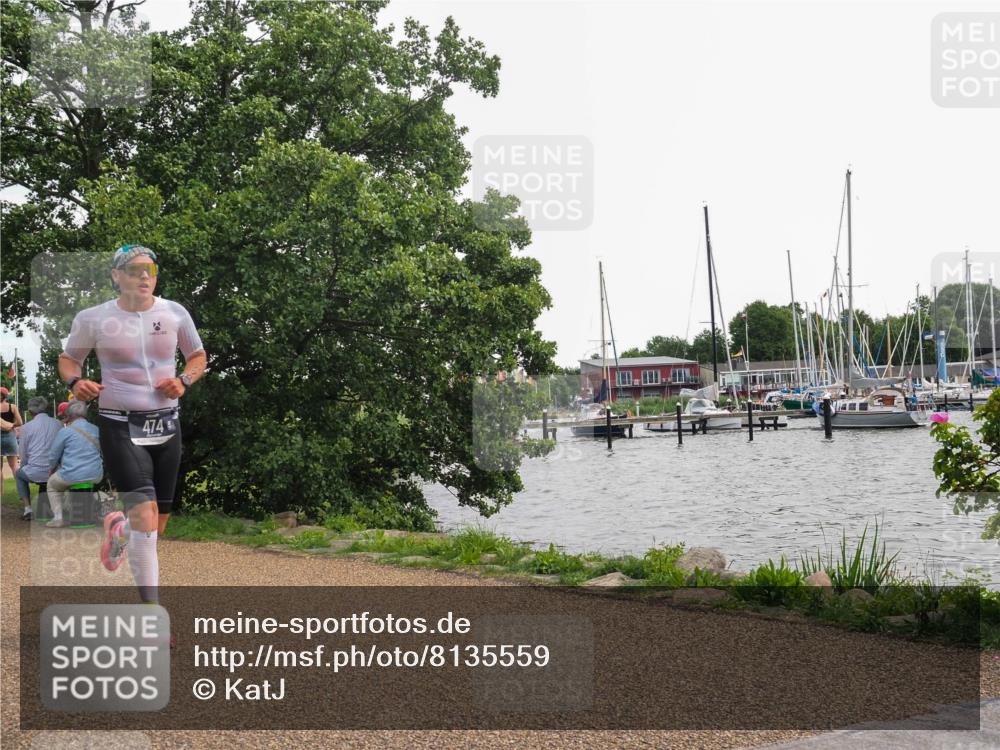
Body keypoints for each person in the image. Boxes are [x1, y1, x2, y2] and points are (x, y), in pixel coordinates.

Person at [59, 244, 206, 603]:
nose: (144, 276)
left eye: (151, 270)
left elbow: (197, 356)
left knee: (157, 526)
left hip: (166, 426)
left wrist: (184, 381)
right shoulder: (93, 318)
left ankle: (121, 530)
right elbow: (68, 359)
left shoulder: (174, 313)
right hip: (120, 424)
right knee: (145, 517)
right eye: (135, 269)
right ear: (116, 275)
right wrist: (76, 383)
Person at [45, 401, 103, 528]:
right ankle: (93, 511)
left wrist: (51, 468)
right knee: (84, 482)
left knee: (52, 485)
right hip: (95, 474)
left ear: (69, 415)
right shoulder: (96, 429)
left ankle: (58, 518)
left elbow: (54, 454)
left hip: (71, 475)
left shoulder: (65, 432)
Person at [15, 397, 63, 520]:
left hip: (35, 471)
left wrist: (24, 466)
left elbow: (23, 453)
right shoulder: (58, 424)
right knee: (46, 480)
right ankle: (52, 508)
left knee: (19, 475)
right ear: (45, 408)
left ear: (30, 412)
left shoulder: (26, 427)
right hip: (55, 470)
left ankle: (27, 509)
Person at [0, 386, 23, 481]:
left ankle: (0, 493)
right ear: (6, 396)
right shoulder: (12, 407)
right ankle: (22, 491)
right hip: (10, 436)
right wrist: (11, 425)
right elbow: (20, 423)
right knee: (14, 465)